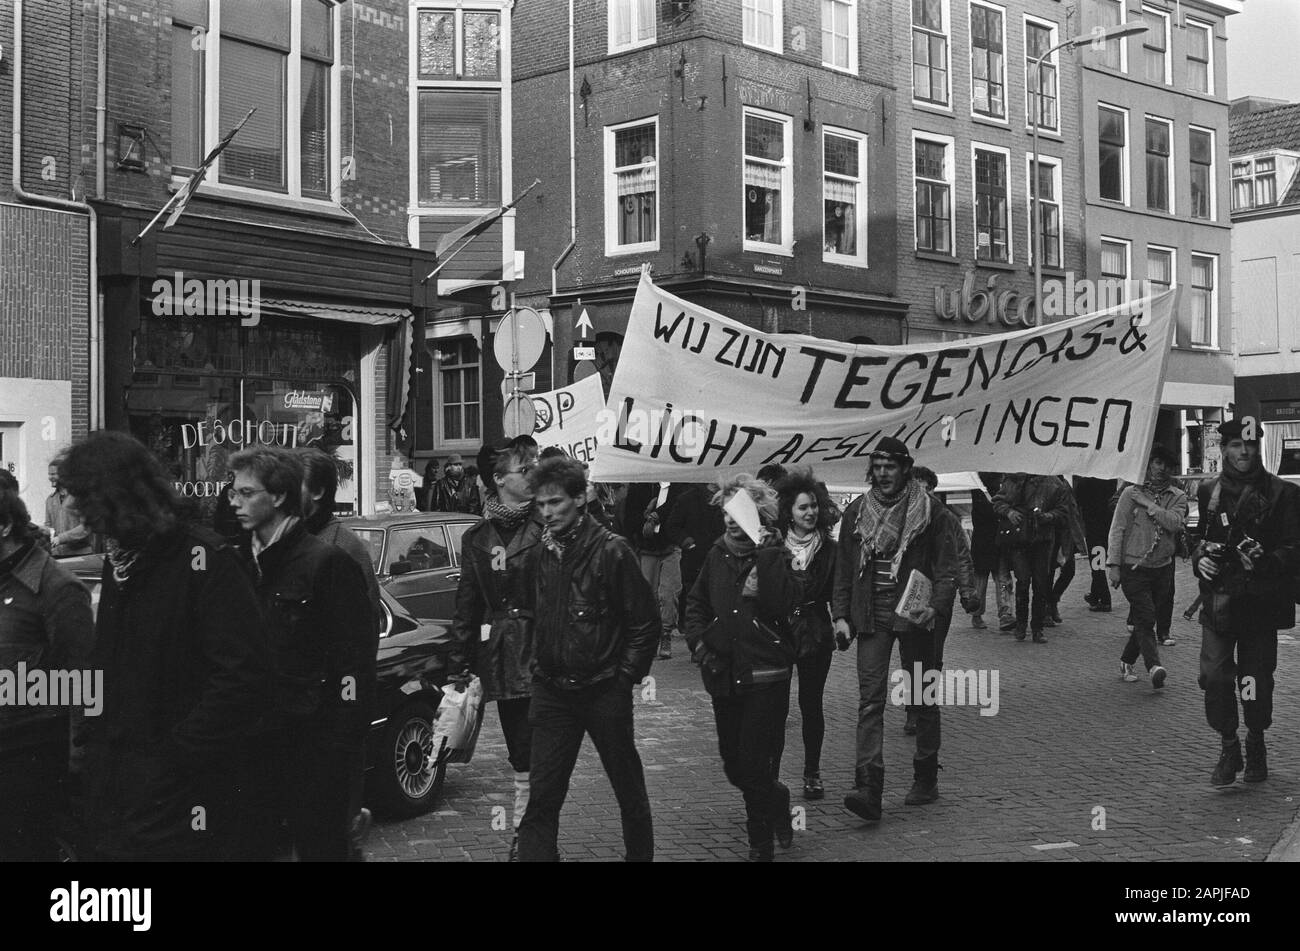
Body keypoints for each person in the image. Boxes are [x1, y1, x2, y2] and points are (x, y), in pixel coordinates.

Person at [57, 431, 274, 860]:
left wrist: (170, 759)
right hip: (119, 786)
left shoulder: (203, 560)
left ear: (118, 495)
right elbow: (112, 666)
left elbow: (242, 678)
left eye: (82, 497)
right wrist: (91, 741)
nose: (71, 509)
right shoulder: (121, 561)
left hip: (179, 797)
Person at [227, 446, 376, 861]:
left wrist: (339, 758)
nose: (234, 501)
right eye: (232, 492)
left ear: (277, 497)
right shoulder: (239, 562)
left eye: (246, 492)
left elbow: (354, 666)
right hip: (255, 745)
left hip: (313, 751)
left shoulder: (326, 562)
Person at [517, 456, 658, 862]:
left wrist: (623, 680)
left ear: (580, 498)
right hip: (552, 692)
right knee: (541, 799)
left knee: (627, 790)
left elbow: (644, 623)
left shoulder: (612, 551)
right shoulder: (538, 553)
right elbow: (530, 612)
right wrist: (536, 667)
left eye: (556, 503)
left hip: (603, 689)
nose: (546, 513)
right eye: (540, 504)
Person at [833, 438, 961, 822]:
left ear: (906, 468)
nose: (883, 473)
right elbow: (843, 568)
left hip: (916, 617)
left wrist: (935, 607)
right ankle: (868, 787)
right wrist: (841, 614)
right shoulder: (856, 511)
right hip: (871, 616)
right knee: (870, 700)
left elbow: (947, 567)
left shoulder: (930, 511)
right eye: (877, 466)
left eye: (891, 466)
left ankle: (925, 776)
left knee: (922, 697)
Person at [685, 474, 796, 860]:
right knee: (735, 766)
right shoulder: (716, 553)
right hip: (722, 672)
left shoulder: (777, 553)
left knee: (752, 761)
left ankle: (759, 840)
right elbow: (696, 603)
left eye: (740, 510)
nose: (731, 520)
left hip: (766, 674)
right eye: (727, 511)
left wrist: (766, 559)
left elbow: (781, 606)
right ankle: (777, 796)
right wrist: (700, 641)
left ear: (757, 511)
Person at [1191, 419, 1300, 786]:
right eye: (1237, 445)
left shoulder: (1283, 493)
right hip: (1219, 603)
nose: (1244, 452)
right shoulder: (1209, 491)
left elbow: (1294, 548)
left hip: (1259, 604)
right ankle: (1228, 744)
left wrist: (1267, 560)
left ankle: (1256, 740)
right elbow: (1201, 540)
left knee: (1255, 680)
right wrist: (1200, 559)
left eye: (1250, 445)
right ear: (1223, 450)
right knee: (1215, 677)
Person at [450, 436, 543, 861]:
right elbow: (467, 605)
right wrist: (459, 666)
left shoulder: (549, 521)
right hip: (504, 657)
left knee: (547, 757)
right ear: (499, 480)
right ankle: (529, 838)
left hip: (548, 652)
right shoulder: (477, 538)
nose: (533, 476)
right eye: (525, 471)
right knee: (522, 755)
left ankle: (536, 838)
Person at [0, 488, 94, 859]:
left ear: (5, 526)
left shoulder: (57, 588)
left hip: (30, 757)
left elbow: (83, 680)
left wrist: (77, 760)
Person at [770, 469, 839, 802]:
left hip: (815, 629)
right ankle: (772, 777)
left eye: (813, 506)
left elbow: (839, 591)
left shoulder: (830, 549)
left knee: (811, 704)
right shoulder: (771, 546)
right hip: (780, 631)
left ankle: (812, 772)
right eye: (802, 508)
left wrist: (842, 620)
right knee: (776, 708)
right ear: (789, 512)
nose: (810, 512)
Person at [1107, 444, 1186, 691]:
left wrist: (1149, 504)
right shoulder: (1130, 493)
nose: (1161, 469)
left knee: (1144, 619)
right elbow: (1117, 529)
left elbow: (1174, 523)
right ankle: (1154, 667)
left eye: (1166, 465)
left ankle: (1126, 661)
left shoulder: (1178, 496)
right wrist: (1113, 565)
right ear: (1149, 464)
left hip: (1162, 567)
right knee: (1146, 616)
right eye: (1157, 463)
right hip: (1134, 566)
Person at [992, 472, 1070, 643]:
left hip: (1042, 539)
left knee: (1040, 584)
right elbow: (998, 502)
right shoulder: (1015, 479)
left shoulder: (1055, 483)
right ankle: (1022, 625)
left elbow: (1063, 511)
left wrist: (1047, 517)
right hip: (1020, 539)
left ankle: (1037, 627)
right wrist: (1010, 512)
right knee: (1023, 581)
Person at [620, 481, 688, 660]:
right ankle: (650, 635)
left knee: (668, 592)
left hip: (670, 547)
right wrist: (645, 520)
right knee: (647, 595)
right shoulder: (639, 487)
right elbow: (629, 519)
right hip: (647, 549)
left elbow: (679, 511)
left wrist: (658, 515)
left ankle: (665, 633)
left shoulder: (678, 487)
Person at [969, 473, 1013, 632]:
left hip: (988, 542)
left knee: (990, 579)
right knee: (997, 579)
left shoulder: (980, 491)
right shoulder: (986, 493)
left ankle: (1000, 614)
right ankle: (1002, 613)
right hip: (990, 541)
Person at [1046, 477, 1088, 627]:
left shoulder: (1064, 483)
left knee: (1069, 570)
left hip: (1067, 533)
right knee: (1048, 572)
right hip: (1053, 532)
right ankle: (1046, 609)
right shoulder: (1048, 482)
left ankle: (1052, 600)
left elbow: (1073, 509)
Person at [1075, 475, 1118, 613]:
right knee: (1098, 563)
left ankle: (1105, 600)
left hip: (1094, 529)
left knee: (1097, 566)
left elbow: (1077, 500)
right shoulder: (1110, 478)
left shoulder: (1085, 481)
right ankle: (1094, 595)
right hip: (1107, 527)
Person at [45, 463, 92, 557]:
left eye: (54, 474)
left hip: (80, 555)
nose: (50, 477)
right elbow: (48, 525)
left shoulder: (80, 497)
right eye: (49, 474)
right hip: (57, 555)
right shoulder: (50, 500)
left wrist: (60, 538)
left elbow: (86, 527)